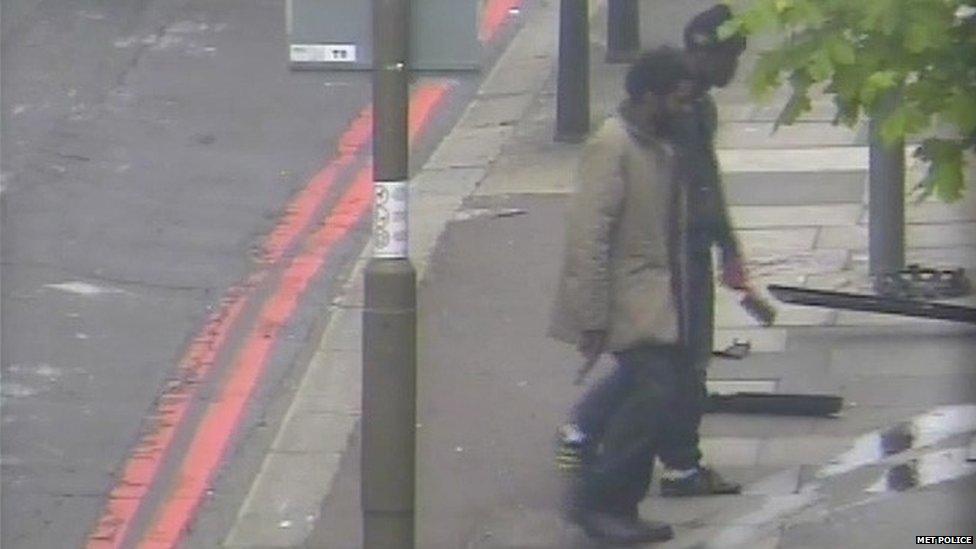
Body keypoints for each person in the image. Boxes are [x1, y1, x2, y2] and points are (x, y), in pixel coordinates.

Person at [555, 4, 749, 499]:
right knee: (668, 366)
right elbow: (595, 227)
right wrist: (592, 313)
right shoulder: (653, 120)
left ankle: (665, 462)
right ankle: (616, 456)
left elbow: (706, 182)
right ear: (709, 53)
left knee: (672, 364)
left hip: (688, 252)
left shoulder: (695, 107)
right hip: (664, 260)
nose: (737, 68)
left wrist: (728, 247)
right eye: (733, 56)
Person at [549, 46, 704, 545]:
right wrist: (593, 317)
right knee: (651, 393)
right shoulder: (612, 146)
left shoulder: (655, 145)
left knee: (651, 396)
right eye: (677, 101)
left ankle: (611, 498)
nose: (685, 110)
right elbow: (588, 236)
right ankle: (598, 504)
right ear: (647, 95)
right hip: (628, 302)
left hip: (657, 299)